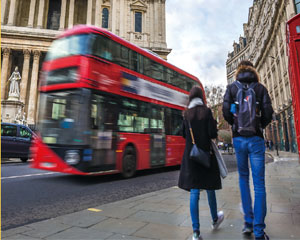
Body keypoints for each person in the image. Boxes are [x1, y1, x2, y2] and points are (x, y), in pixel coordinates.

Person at [222, 60, 273, 240]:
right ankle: (259, 231)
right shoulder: (260, 88)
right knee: (259, 185)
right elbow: (269, 113)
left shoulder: (232, 88)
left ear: (238, 71)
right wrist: (259, 127)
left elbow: (225, 111)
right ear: (253, 71)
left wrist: (235, 127)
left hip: (239, 139)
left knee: (243, 179)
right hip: (256, 139)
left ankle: (248, 223)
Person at [178, 86, 224, 240]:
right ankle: (214, 219)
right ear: (201, 98)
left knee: (195, 191)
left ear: (190, 98)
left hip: (192, 157)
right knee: (210, 187)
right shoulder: (207, 111)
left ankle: (196, 232)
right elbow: (212, 133)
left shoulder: (186, 114)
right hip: (206, 156)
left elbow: (183, 134)